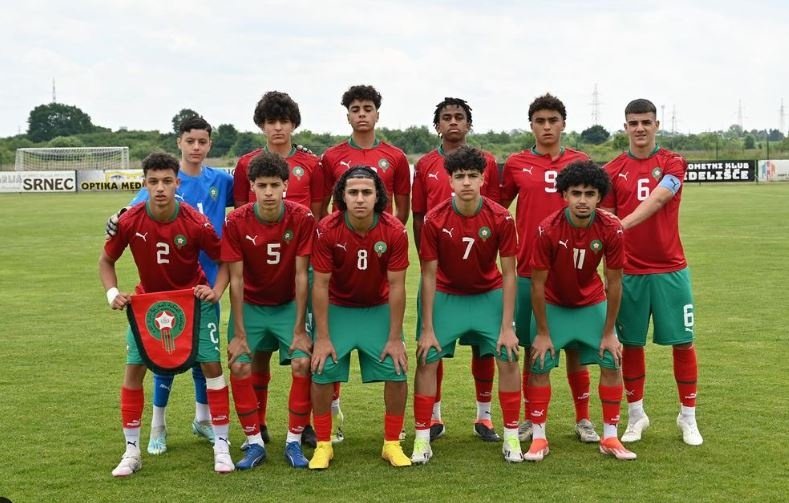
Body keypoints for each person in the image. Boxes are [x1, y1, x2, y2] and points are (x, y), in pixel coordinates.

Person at [99, 151, 234, 476]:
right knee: (134, 371)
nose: (160, 188)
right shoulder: (129, 220)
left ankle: (221, 444)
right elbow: (106, 261)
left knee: (212, 368)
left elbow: (225, 259)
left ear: (177, 183)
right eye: (153, 181)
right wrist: (113, 293)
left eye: (167, 181)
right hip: (148, 304)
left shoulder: (194, 221)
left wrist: (215, 292)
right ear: (144, 184)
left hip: (193, 303)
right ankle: (131, 451)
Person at [410, 146, 522, 465]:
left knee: (509, 355)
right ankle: (421, 439)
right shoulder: (435, 218)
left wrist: (506, 326)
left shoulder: (501, 217)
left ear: (484, 178)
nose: (467, 183)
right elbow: (428, 275)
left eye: (473, 176)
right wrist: (428, 328)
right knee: (427, 358)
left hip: (488, 295)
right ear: (450, 181)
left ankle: (511, 435)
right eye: (460, 177)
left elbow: (510, 273)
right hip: (446, 295)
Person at [601, 98, 702, 446]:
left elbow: (659, 199)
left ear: (656, 125)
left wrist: (621, 226)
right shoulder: (612, 170)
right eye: (633, 123)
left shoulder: (673, 163)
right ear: (625, 127)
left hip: (671, 268)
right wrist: (609, 271)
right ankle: (636, 415)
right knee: (631, 345)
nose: (640, 128)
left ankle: (687, 417)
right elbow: (606, 222)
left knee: (683, 342)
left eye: (646, 122)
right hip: (629, 272)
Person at [500, 94, 598, 443]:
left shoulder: (580, 161)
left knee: (574, 347)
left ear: (563, 124)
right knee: (532, 346)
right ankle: (531, 417)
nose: (546, 127)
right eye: (539, 121)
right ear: (531, 125)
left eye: (552, 120)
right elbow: (498, 209)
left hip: (573, 267)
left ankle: (583, 419)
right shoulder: (515, 163)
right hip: (529, 269)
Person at [524, 160, 636, 462]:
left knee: (613, 360)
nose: (582, 200)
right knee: (540, 362)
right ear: (564, 195)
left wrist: (610, 331)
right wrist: (543, 333)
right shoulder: (547, 229)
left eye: (589, 193)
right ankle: (538, 438)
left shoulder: (611, 227)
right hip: (553, 304)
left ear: (599, 196)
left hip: (590, 303)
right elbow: (537, 285)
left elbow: (614, 282)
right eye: (576, 193)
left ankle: (610, 437)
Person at [231, 90, 324, 446]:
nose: (278, 128)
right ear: (261, 126)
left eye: (284, 121)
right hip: (259, 266)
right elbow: (243, 212)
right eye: (271, 122)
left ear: (294, 124)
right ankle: (260, 425)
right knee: (259, 354)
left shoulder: (312, 164)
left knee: (308, 350)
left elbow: (318, 210)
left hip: (300, 260)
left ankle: (308, 424)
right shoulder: (246, 164)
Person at [214, 151, 316, 469]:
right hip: (251, 307)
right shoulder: (236, 220)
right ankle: (254, 442)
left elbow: (302, 275)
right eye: (262, 185)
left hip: (288, 305)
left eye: (275, 185)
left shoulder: (302, 217)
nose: (269, 192)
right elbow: (237, 278)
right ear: (252, 187)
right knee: (241, 365)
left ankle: (294, 442)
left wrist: (300, 329)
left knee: (302, 363)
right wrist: (239, 333)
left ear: (286, 185)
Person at [411, 98, 503, 442]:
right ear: (437, 125)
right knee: (433, 348)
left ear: (468, 124)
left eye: (459, 118)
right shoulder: (424, 164)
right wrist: (426, 258)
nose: (453, 122)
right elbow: (418, 215)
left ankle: (485, 417)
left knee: (486, 348)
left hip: (479, 268)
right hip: (440, 271)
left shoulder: (487, 162)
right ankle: (433, 418)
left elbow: (492, 210)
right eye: (446, 118)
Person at [308, 166, 411, 470]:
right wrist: (323, 337)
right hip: (338, 309)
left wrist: (394, 338)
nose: (360, 199)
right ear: (342, 196)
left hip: (376, 309)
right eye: (353, 192)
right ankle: (324, 444)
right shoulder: (327, 229)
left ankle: (392, 443)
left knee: (397, 369)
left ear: (378, 196)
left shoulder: (393, 230)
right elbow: (321, 285)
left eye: (367, 192)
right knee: (322, 369)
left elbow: (396, 286)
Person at [320, 84, 411, 225]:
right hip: (341, 241)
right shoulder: (330, 156)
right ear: (348, 117)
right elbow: (321, 209)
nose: (362, 114)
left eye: (368, 109)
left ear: (377, 115)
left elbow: (403, 210)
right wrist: (335, 232)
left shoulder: (397, 156)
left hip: (381, 242)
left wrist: (389, 233)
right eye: (355, 110)